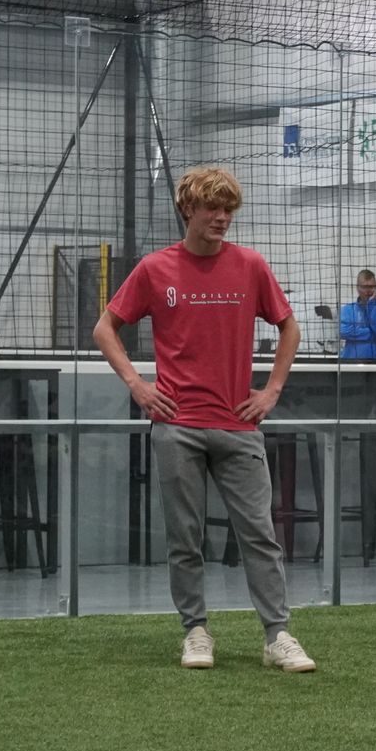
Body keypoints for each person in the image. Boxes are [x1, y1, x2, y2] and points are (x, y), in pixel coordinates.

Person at [93, 166, 317, 675]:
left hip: (239, 425)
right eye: (213, 208)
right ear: (187, 210)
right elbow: (105, 328)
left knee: (259, 533)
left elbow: (289, 329)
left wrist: (272, 392)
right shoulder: (154, 269)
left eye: (229, 209)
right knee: (184, 536)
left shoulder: (252, 266)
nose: (222, 218)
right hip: (177, 425)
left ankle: (277, 634)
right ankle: (195, 631)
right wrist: (138, 386)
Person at [339, 269, 376, 360]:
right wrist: (373, 335)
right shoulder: (347, 309)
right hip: (351, 363)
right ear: (357, 287)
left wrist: (371, 305)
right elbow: (343, 332)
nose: (368, 291)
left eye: (371, 287)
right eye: (364, 287)